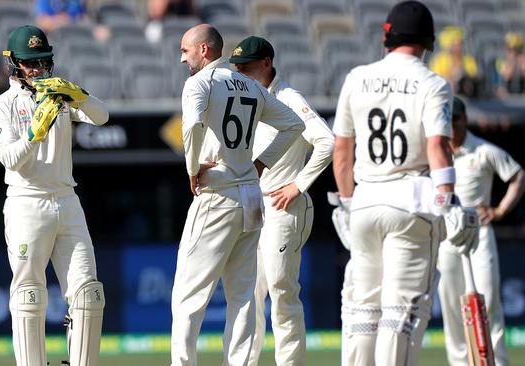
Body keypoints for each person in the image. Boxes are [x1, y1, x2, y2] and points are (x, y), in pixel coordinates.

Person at [331, 2, 480, 365]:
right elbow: (438, 148)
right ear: (428, 42)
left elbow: (342, 152)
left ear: (387, 36)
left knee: (361, 314)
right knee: (400, 315)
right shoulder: (433, 84)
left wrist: (348, 204)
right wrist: (448, 201)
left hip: (364, 204)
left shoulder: (356, 77)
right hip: (411, 207)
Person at [172, 24, 305, 366]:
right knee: (244, 296)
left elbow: (192, 126)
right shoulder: (250, 84)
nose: (182, 59)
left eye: (186, 51)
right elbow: (294, 125)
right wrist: (261, 163)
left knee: (188, 295)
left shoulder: (199, 83)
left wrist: (191, 169)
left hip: (218, 191)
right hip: (250, 194)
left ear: (204, 50)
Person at [0, 25, 108, 366]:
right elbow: (10, 158)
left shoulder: (59, 94)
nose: (37, 70)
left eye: (42, 62)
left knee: (88, 295)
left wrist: (77, 94)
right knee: (28, 295)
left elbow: (102, 116)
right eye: (30, 63)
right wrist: (34, 132)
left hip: (67, 200)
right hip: (27, 203)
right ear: (14, 65)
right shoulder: (1, 106)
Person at [229, 36, 334, 366]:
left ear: (267, 63)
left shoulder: (289, 98)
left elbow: (327, 142)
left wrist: (298, 185)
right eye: (238, 69)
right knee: (248, 294)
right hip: (252, 207)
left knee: (281, 289)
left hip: (283, 207)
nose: (241, 74)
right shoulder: (246, 99)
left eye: (247, 67)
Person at [437, 97, 525, 366]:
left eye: (455, 120)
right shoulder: (436, 153)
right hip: (447, 237)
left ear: (464, 119)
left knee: (488, 300)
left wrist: (499, 210)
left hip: (479, 234)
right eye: (447, 121)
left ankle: (497, 361)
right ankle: (460, 363)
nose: (451, 126)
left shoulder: (482, 150)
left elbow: (519, 178)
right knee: (451, 304)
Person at [429, 25, 480, 98]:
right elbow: (436, 77)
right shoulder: (440, 59)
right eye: (455, 44)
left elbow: (473, 75)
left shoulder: (468, 59)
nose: (459, 47)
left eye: (460, 44)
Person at [493, 32, 525, 98]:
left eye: (516, 50)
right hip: (505, 96)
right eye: (510, 49)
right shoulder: (500, 62)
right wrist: (512, 64)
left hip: (524, 95)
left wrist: (522, 67)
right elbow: (505, 77)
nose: (512, 53)